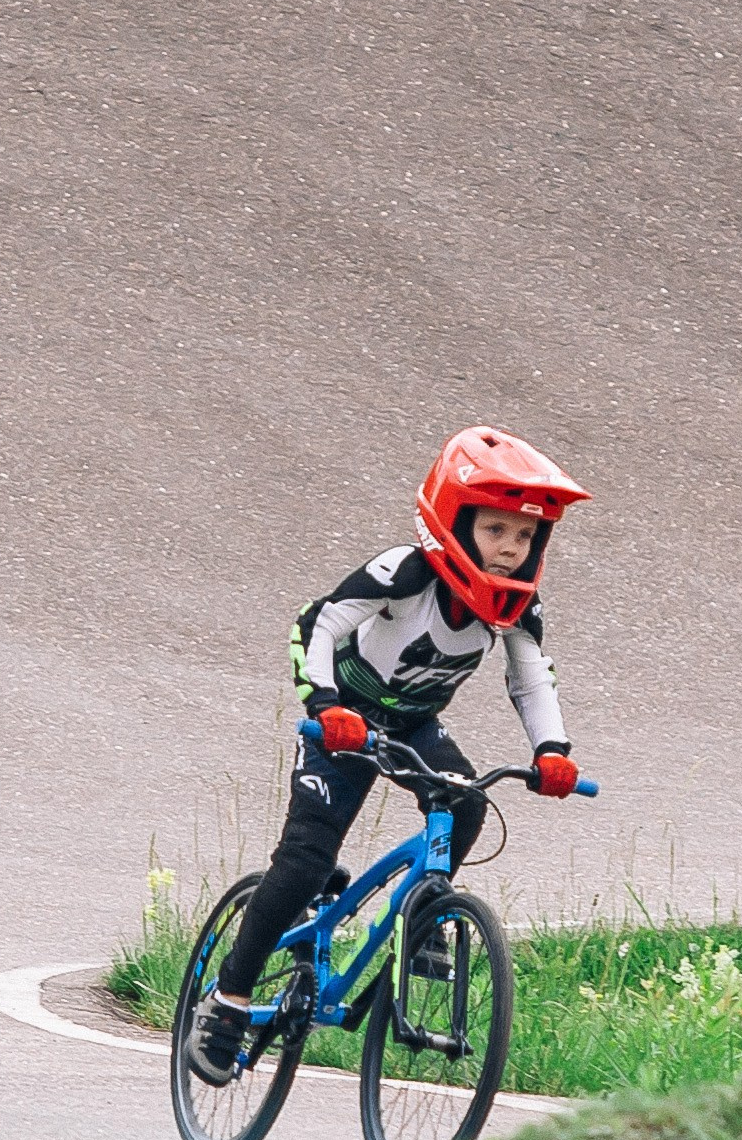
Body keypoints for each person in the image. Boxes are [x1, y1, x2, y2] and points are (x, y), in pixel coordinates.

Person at [186, 426, 590, 1086]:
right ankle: (227, 1000)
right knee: (303, 861)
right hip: (343, 721)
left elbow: (530, 678)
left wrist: (552, 751)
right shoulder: (404, 572)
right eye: (496, 530)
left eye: (525, 536)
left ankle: (426, 913)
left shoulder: (516, 606)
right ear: (454, 522)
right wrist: (323, 705)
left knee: (465, 804)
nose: (512, 549)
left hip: (411, 724)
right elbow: (316, 623)